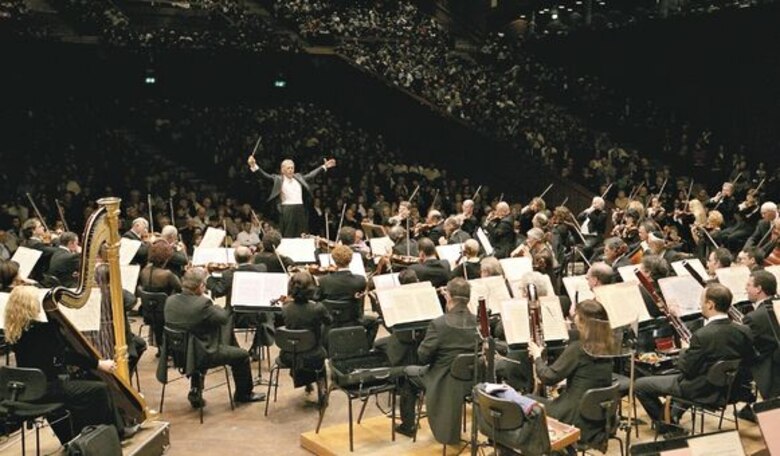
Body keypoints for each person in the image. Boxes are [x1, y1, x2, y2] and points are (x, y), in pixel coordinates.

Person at [5, 286, 134, 443]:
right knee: (99, 388)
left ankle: (84, 433)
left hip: (28, 389)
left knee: (83, 388)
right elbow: (64, 355)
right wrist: (97, 364)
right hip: (46, 388)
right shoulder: (43, 329)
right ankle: (112, 435)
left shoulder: (16, 329)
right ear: (30, 304)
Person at [634, 284, 754, 437]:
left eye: (702, 301)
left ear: (710, 304)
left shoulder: (702, 335)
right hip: (731, 390)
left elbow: (686, 369)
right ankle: (671, 415)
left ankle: (668, 426)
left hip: (702, 391)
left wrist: (685, 349)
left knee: (640, 385)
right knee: (676, 378)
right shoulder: (744, 330)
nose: (700, 305)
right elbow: (748, 362)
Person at [159, 268, 265, 406]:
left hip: (177, 352)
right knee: (242, 355)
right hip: (201, 355)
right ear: (201, 286)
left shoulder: (170, 300)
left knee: (202, 339)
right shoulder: (203, 304)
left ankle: (195, 389)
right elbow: (223, 318)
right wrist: (216, 303)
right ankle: (243, 394)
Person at [528, 299, 616, 447]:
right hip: (599, 418)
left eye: (576, 315)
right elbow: (590, 375)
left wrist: (537, 356)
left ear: (583, 322)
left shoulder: (579, 349)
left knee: (526, 402)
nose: (573, 318)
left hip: (574, 417)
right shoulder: (609, 345)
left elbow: (547, 377)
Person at [415, 277, 478, 445]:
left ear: (448, 297)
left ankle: (407, 427)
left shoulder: (439, 324)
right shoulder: (478, 322)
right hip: (472, 378)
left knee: (406, 373)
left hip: (444, 379)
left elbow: (422, 357)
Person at [247, 154, 336, 238]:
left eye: (292, 168)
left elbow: (311, 175)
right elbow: (264, 176)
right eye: (288, 168)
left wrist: (324, 166)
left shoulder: (298, 177)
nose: (291, 170)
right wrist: (254, 165)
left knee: (302, 233)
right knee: (288, 234)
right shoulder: (278, 179)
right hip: (287, 209)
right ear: (282, 170)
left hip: (300, 208)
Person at [281, 271, 333, 394]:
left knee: (298, 336)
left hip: (289, 355)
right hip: (314, 354)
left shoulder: (285, 308)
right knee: (319, 333)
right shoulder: (317, 307)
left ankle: (306, 382)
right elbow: (329, 321)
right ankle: (321, 385)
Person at [317, 245, 378, 345]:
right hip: (353, 320)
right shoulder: (360, 280)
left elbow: (318, 300)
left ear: (333, 259)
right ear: (350, 259)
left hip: (330, 322)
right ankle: (365, 347)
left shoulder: (324, 281)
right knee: (374, 321)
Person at [743, 271, 780, 401]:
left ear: (758, 289)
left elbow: (746, 346)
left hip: (770, 369)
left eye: (748, 285)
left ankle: (751, 404)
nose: (745, 288)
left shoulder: (753, 318)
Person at [138, 240, 182, 350]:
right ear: (166, 257)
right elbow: (181, 289)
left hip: (148, 312)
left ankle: (161, 347)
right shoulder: (167, 275)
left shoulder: (144, 271)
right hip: (166, 314)